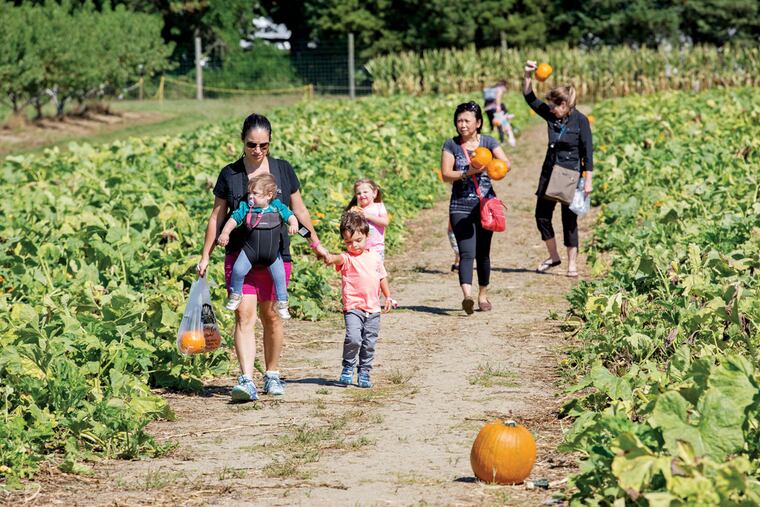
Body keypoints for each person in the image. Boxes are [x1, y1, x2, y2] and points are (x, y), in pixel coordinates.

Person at [197, 113, 328, 402]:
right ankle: (246, 379)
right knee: (244, 316)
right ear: (242, 142)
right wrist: (205, 254)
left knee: (271, 316)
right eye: (251, 145)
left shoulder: (282, 170)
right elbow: (217, 216)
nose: (257, 151)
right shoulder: (230, 175)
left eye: (263, 145)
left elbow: (299, 211)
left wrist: (314, 242)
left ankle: (271, 374)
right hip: (240, 255)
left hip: (275, 256)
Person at [523, 60, 593, 278]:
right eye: (550, 106)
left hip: (570, 174)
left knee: (568, 220)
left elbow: (587, 152)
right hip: (549, 172)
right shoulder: (551, 116)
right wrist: (527, 75)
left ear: (565, 105)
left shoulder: (580, 121)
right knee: (541, 216)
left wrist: (587, 179)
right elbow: (530, 98)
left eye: (555, 106)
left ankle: (572, 264)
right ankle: (554, 257)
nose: (551, 109)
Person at [440, 101, 510, 315]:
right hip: (460, 205)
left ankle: (483, 295)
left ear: (478, 123)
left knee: (483, 254)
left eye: (467, 121)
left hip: (485, 206)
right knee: (466, 252)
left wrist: (491, 167)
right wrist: (469, 171)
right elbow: (446, 175)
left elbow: (506, 164)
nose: (462, 125)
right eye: (459, 120)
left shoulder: (489, 142)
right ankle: (467, 297)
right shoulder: (451, 145)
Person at [323, 211, 393, 388]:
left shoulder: (375, 257)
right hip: (353, 307)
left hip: (373, 309)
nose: (353, 245)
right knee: (354, 338)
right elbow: (337, 258)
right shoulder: (346, 258)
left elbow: (381, 277)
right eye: (348, 242)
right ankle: (348, 367)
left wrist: (388, 296)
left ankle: (364, 372)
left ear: (367, 236)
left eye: (358, 240)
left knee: (369, 343)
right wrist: (329, 258)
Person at [217, 173, 298, 319]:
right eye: (249, 193)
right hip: (250, 251)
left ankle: (282, 303)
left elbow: (290, 215)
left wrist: (293, 224)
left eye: (255, 193)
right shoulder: (245, 208)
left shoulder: (277, 206)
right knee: (238, 270)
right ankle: (236, 294)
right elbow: (232, 220)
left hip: (272, 254)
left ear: (269, 195)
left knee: (280, 277)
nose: (250, 197)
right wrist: (225, 233)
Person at [345, 178, 389, 261]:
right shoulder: (356, 210)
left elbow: (385, 222)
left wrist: (367, 216)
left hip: (376, 248)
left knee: (376, 271)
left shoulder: (379, 206)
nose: (362, 195)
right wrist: (351, 216)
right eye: (358, 193)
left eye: (365, 192)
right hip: (360, 248)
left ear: (374, 193)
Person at [483, 80, 517, 147]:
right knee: (502, 124)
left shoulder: (491, 89)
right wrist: (498, 108)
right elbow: (498, 98)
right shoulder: (499, 89)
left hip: (487, 109)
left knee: (493, 125)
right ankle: (505, 140)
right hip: (495, 108)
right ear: (503, 86)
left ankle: (491, 141)